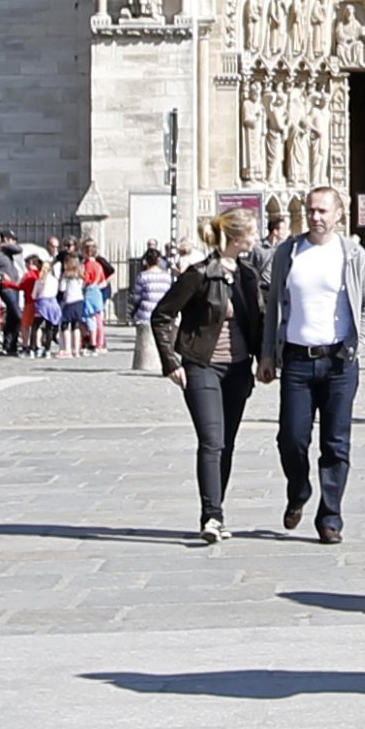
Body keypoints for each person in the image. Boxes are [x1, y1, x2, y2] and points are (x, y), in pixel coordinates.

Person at [258, 186, 365, 543]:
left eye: (323, 211)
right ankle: (299, 491)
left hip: (340, 361)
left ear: (338, 215)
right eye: (311, 210)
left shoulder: (353, 255)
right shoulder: (288, 252)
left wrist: (357, 342)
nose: (315, 217)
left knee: (336, 442)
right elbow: (274, 310)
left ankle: (330, 517)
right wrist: (268, 353)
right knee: (291, 438)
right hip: (297, 359)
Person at [151, 209, 266, 542]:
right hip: (201, 365)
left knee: (226, 444)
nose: (256, 237)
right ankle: (211, 517)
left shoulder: (247, 274)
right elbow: (162, 315)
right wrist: (170, 361)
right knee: (211, 441)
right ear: (235, 237)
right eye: (252, 232)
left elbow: (256, 320)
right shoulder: (199, 274)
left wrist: (264, 358)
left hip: (238, 369)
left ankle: (218, 509)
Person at [131, 248, 174, 336]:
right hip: (162, 313)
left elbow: (137, 297)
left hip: (146, 313)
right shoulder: (167, 276)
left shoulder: (143, 276)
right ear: (158, 260)